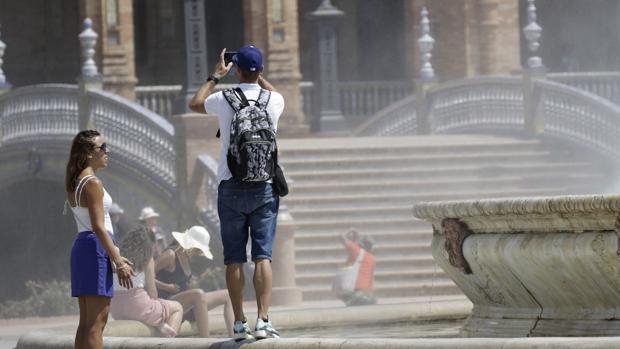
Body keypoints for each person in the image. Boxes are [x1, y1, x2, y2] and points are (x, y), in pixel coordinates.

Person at [189, 45, 285, 340]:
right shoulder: (274, 100)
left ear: (237, 69)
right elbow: (271, 91)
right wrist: (258, 77)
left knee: (233, 259)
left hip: (230, 185)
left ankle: (240, 323)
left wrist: (216, 75)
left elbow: (195, 103)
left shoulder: (223, 99)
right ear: (260, 70)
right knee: (262, 258)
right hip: (264, 186)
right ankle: (264, 320)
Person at [65, 130, 135, 349]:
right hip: (94, 248)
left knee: (86, 324)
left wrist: (114, 252)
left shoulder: (76, 181)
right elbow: (98, 226)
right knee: (98, 323)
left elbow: (91, 226)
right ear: (88, 153)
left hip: (83, 247)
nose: (108, 152)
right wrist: (119, 261)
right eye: (102, 148)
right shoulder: (93, 182)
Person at [155, 226, 234, 337]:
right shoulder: (170, 254)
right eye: (198, 249)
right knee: (198, 294)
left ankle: (234, 339)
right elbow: (145, 277)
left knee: (229, 294)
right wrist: (166, 287)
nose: (198, 253)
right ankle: (205, 342)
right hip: (168, 302)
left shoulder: (187, 257)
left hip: (186, 302)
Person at [110, 227, 183, 337]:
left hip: (116, 308)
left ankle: (158, 323)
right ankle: (167, 343)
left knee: (147, 309)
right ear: (149, 244)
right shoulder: (147, 259)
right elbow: (153, 293)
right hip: (138, 307)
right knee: (177, 307)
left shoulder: (117, 255)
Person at [337, 229, 377, 306]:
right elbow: (371, 279)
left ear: (361, 245)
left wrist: (350, 230)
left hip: (354, 291)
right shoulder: (372, 258)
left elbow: (340, 236)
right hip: (367, 293)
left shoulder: (357, 251)